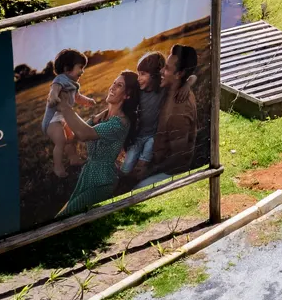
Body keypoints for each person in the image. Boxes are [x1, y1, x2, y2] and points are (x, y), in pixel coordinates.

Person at [58, 71, 140, 217]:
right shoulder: (101, 118)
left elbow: (84, 134)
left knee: (63, 218)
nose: (112, 87)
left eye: (119, 85)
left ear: (127, 95)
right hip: (87, 176)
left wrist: (65, 107)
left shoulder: (120, 123)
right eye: (114, 83)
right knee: (62, 215)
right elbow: (75, 135)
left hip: (103, 181)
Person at [42, 48, 97, 178]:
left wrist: (88, 101)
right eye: (80, 67)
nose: (82, 71)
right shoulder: (60, 79)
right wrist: (54, 96)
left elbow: (77, 97)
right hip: (52, 120)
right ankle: (58, 167)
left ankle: (74, 159)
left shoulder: (73, 83)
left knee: (70, 138)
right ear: (67, 69)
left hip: (62, 118)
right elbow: (54, 89)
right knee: (61, 141)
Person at [121, 52, 168, 186]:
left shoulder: (163, 89)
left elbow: (191, 78)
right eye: (139, 73)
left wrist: (188, 84)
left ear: (154, 75)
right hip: (138, 137)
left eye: (143, 74)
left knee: (146, 153)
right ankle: (126, 184)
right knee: (126, 167)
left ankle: (141, 176)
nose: (139, 78)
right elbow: (122, 104)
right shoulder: (138, 91)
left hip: (153, 135)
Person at [153, 46, 201, 174]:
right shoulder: (169, 89)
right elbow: (192, 76)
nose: (162, 71)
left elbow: (178, 157)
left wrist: (149, 171)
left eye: (167, 68)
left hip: (168, 172)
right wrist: (189, 82)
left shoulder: (179, 111)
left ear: (179, 74)